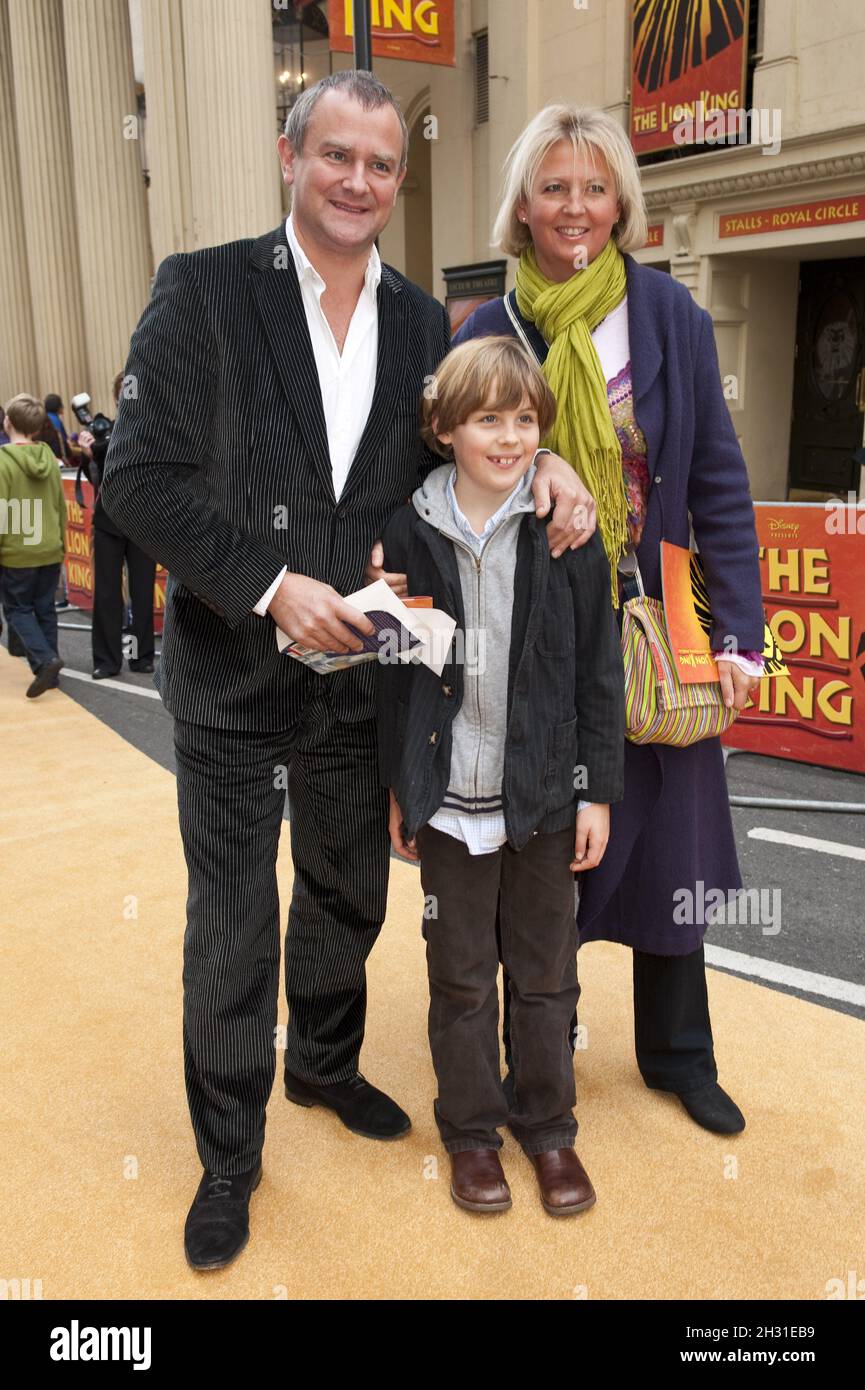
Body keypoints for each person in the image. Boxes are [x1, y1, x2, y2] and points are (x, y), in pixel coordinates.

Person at [100, 69, 597, 1270]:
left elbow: (475, 440)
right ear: (289, 156)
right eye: (336, 157)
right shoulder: (204, 291)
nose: (358, 182)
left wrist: (548, 473)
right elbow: (137, 477)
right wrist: (273, 585)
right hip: (229, 672)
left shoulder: (433, 327)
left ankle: (322, 1065)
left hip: (363, 689)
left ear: (399, 179)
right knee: (231, 924)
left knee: (346, 896)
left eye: (380, 165)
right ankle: (230, 1154)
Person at [454, 105, 765, 1135]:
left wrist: (739, 634)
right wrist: (531, 456)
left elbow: (717, 479)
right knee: (547, 845)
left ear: (622, 200)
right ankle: (538, 1055)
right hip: (542, 639)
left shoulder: (668, 311)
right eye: (552, 187)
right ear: (522, 205)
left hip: (663, 627)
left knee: (670, 839)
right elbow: (441, 468)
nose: (574, 207)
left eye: (593, 186)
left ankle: (680, 1054)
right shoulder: (490, 330)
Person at [379, 337, 624, 1215]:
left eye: (525, 420)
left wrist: (594, 787)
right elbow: (392, 676)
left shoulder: (565, 528)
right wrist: (402, 784)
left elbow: (600, 669)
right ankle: (471, 1133)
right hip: (449, 802)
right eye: (489, 419)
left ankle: (549, 1128)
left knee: (547, 972)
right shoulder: (404, 530)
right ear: (444, 428)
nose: (512, 437)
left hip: (544, 798)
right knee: (459, 974)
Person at [79, 372, 156, 679]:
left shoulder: (151, 429)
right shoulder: (104, 433)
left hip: (143, 524)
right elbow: (95, 476)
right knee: (108, 595)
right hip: (108, 523)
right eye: (125, 391)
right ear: (116, 398)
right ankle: (107, 661)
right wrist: (88, 454)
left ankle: (140, 657)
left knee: (141, 593)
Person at [0, 394, 66, 696]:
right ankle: (50, 674)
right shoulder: (50, 461)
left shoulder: (3, 462)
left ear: (8, 422)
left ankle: (44, 659)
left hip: (18, 549)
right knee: (45, 608)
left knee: (17, 610)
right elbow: (58, 505)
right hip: (49, 545)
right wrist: (61, 541)